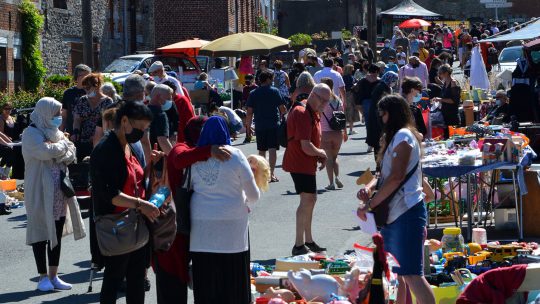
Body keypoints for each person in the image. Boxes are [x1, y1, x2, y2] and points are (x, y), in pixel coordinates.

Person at [356, 94, 435, 304]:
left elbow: (397, 176)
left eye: (382, 114)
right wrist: (370, 187)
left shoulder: (403, 136)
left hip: (406, 212)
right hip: (397, 214)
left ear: (390, 114)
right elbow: (384, 175)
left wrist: (371, 204)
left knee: (412, 275)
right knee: (401, 275)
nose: (380, 120)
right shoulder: (398, 137)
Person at [91, 101, 161, 304]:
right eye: (140, 128)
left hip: (135, 223)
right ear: (124, 121)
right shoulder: (106, 150)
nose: (142, 133)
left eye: (145, 129)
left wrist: (150, 166)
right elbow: (110, 194)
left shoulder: (128, 145)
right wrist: (142, 204)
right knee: (114, 279)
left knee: (137, 280)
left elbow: (135, 180)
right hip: (116, 225)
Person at [159, 116, 231, 304]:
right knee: (173, 279)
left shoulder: (198, 151)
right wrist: (208, 150)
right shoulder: (181, 148)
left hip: (192, 225)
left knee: (191, 276)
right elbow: (180, 160)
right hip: (174, 226)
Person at [190, 116, 260, 304]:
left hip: (201, 228)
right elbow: (253, 194)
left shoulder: (195, 156)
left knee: (206, 283)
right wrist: (245, 204)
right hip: (232, 227)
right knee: (232, 282)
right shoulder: (236, 155)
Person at [22, 97, 83, 292]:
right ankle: (42, 277)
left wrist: (58, 148)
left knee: (56, 232)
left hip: (59, 191)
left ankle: (54, 275)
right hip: (39, 190)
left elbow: (72, 152)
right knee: (40, 232)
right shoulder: (30, 133)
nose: (58, 117)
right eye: (55, 114)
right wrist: (60, 148)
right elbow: (43, 152)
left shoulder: (55, 133)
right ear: (45, 113)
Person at [283, 83, 330, 256]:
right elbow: (305, 145)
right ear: (314, 95)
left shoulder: (311, 111)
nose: (325, 105)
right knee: (307, 200)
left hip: (305, 162)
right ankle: (299, 244)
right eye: (323, 100)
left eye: (327, 101)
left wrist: (318, 155)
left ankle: (308, 241)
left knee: (310, 199)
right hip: (300, 161)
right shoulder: (302, 112)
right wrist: (322, 153)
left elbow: (311, 142)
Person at [246, 70, 287, 182]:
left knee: (261, 151)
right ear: (268, 79)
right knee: (272, 149)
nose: (272, 80)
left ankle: (263, 175)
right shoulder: (275, 91)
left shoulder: (253, 93)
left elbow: (249, 112)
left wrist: (248, 127)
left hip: (260, 125)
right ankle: (271, 174)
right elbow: (282, 109)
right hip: (273, 124)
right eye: (272, 78)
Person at [72, 73, 114, 160]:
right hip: (84, 141)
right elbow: (77, 119)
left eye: (88, 88)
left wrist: (99, 136)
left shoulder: (108, 101)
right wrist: (75, 132)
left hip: (101, 141)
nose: (86, 91)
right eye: (84, 88)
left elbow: (109, 123)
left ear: (97, 86)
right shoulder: (83, 100)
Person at [319, 78, 348, 190]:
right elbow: (342, 116)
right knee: (335, 157)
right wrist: (345, 132)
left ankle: (331, 183)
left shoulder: (322, 101)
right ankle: (337, 177)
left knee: (328, 158)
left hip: (326, 132)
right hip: (337, 133)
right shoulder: (338, 100)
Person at [367, 71, 398, 160]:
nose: (394, 83)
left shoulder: (382, 86)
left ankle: (380, 164)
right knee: (379, 142)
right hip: (378, 118)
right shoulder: (382, 88)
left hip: (377, 116)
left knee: (379, 142)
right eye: (394, 81)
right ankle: (379, 165)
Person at [432, 64, 461, 138]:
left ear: (446, 73)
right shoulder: (445, 82)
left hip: (452, 115)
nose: (439, 75)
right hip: (445, 114)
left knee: (452, 137)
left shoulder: (453, 82)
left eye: (440, 73)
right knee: (446, 136)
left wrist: (440, 99)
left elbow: (454, 101)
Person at [61, 64, 91, 133]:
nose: (87, 78)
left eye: (89, 76)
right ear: (77, 77)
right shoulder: (68, 93)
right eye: (84, 76)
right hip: (71, 132)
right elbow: (64, 115)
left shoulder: (92, 91)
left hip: (88, 133)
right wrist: (61, 132)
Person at [354, 64, 381, 139]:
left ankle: (369, 138)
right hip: (377, 102)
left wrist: (358, 103)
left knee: (368, 121)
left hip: (365, 102)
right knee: (377, 121)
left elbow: (358, 92)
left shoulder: (362, 80)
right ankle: (376, 137)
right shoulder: (379, 81)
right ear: (376, 71)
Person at [148, 84, 174, 155]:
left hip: (146, 154)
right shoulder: (160, 114)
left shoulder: (144, 110)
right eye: (168, 99)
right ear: (158, 96)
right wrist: (174, 158)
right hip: (158, 155)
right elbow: (162, 140)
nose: (170, 101)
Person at [342, 64, 361, 134]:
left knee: (346, 111)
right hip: (350, 94)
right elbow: (351, 86)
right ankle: (350, 129)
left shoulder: (343, 77)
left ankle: (346, 129)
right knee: (351, 110)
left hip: (344, 95)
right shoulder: (350, 77)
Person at [0, 102, 16, 178]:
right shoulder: (1, 119)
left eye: (10, 109)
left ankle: (5, 172)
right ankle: (2, 169)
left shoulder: (13, 118)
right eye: (6, 109)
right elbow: (1, 133)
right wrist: (9, 141)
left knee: (16, 150)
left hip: (12, 142)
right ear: (2, 109)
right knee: (10, 150)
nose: (8, 110)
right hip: (2, 142)